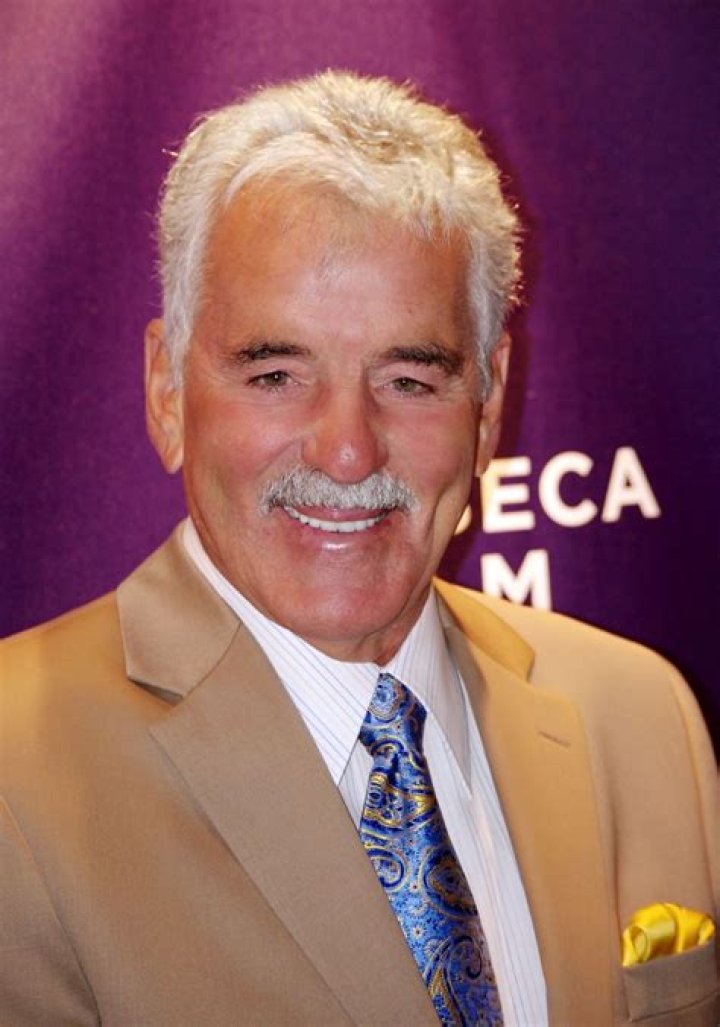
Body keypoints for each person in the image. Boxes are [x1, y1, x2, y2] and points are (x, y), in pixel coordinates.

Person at [1, 71, 717, 1027]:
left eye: (409, 379)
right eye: (275, 372)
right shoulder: (16, 773)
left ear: (488, 406)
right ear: (167, 390)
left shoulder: (642, 716)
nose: (347, 450)